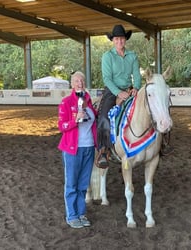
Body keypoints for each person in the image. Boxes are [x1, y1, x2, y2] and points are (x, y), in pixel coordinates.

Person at [96, 24, 142, 167]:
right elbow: (107, 79)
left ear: (125, 40)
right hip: (112, 90)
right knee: (104, 116)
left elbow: (137, 75)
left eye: (122, 38)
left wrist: (136, 87)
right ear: (113, 40)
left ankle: (159, 144)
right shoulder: (107, 56)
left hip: (129, 90)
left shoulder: (132, 56)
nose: (119, 41)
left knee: (149, 109)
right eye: (116, 39)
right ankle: (104, 150)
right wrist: (118, 92)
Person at [57, 71, 97, 228]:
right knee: (71, 184)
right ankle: (72, 215)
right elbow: (62, 126)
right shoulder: (66, 102)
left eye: (82, 80)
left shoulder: (88, 101)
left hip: (88, 148)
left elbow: (93, 123)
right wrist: (74, 120)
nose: (79, 83)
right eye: (76, 81)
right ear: (72, 84)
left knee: (83, 184)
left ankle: (81, 213)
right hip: (72, 149)